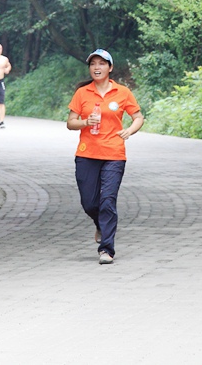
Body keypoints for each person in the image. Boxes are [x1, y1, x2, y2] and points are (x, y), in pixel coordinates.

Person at [67, 49, 144, 265]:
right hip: (86, 153)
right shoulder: (82, 93)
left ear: (110, 68)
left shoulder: (122, 92)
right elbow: (70, 122)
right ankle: (100, 224)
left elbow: (138, 117)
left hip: (114, 153)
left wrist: (130, 130)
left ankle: (107, 249)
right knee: (89, 202)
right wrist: (84, 123)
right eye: (93, 64)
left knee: (108, 201)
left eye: (102, 63)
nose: (97, 67)